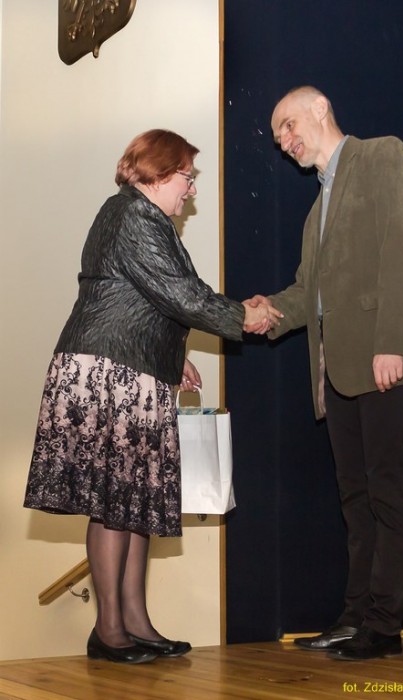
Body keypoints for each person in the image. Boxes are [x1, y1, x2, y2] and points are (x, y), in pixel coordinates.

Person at [24, 129, 282, 664]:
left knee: (136, 500)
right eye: (187, 177)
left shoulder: (137, 216)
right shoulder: (133, 216)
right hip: (108, 375)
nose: (191, 189)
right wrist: (244, 315)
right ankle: (108, 631)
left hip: (129, 367)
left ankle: (135, 624)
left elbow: (140, 299)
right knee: (114, 502)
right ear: (159, 173)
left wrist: (171, 356)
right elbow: (181, 295)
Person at [247, 86, 403, 661]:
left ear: (320, 108)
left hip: (385, 362)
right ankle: (355, 616)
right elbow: (307, 293)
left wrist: (392, 344)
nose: (284, 142)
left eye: (288, 125)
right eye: (278, 136)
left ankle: (384, 626)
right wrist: (263, 312)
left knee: (387, 496)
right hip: (338, 374)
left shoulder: (383, 155)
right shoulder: (317, 211)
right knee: (356, 502)